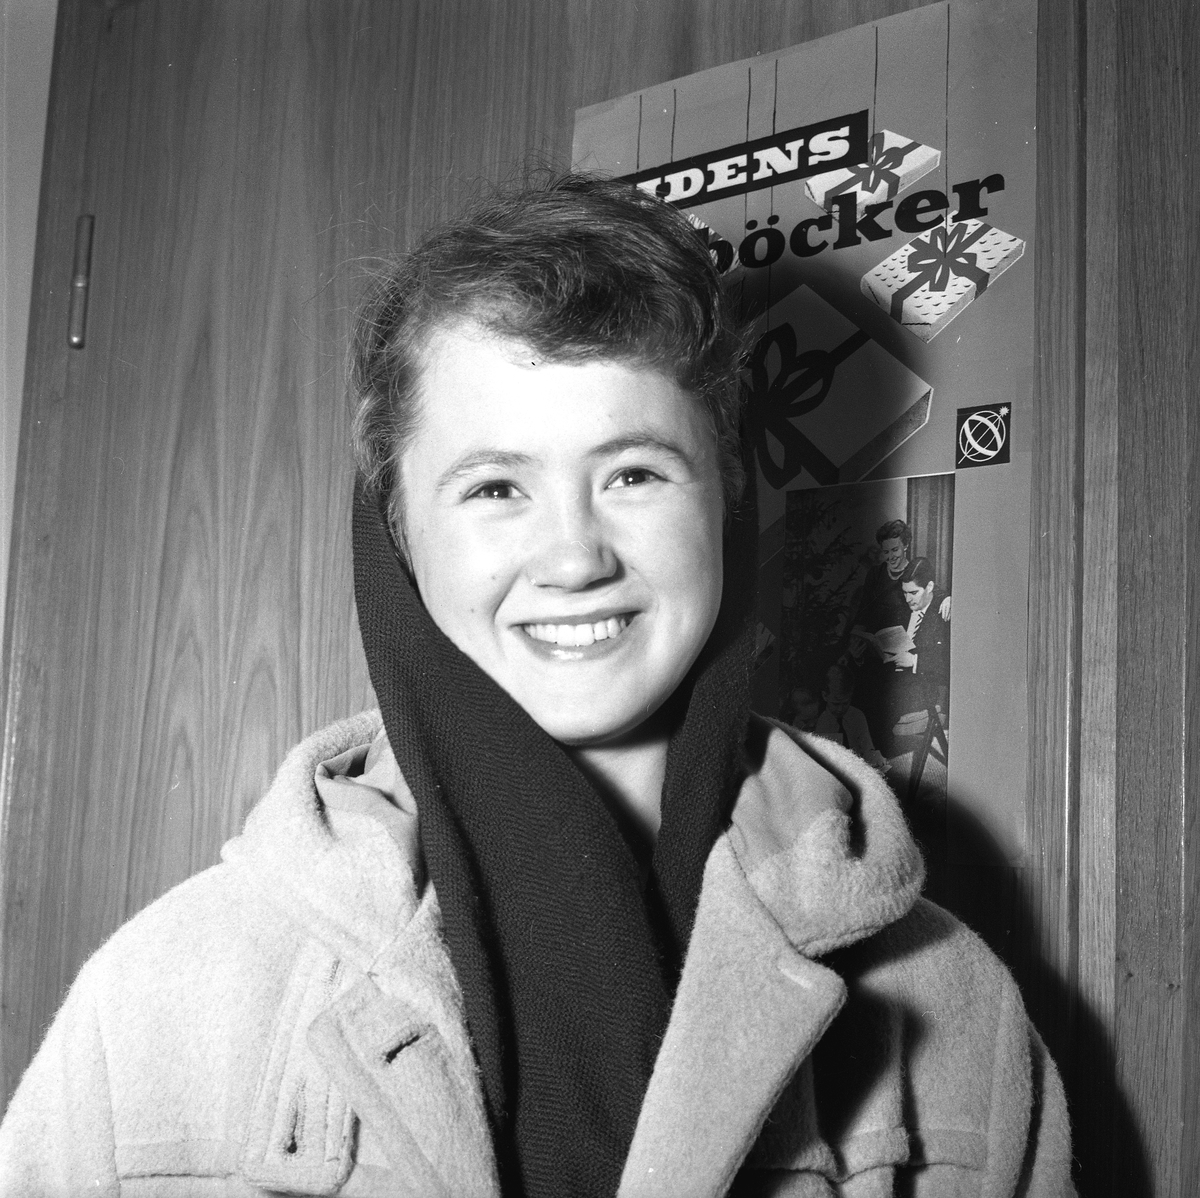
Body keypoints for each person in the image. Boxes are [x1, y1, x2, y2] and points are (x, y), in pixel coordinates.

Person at [0, 175, 1072, 1196]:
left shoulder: (953, 1008)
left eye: (634, 473)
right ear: (397, 531)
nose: (573, 557)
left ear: (728, 502)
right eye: (495, 487)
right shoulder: (151, 1007)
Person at [814, 663, 887, 771]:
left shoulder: (857, 716)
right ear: (825, 696)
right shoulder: (819, 721)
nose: (840, 709)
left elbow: (867, 749)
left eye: (845, 703)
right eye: (835, 704)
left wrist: (875, 757)